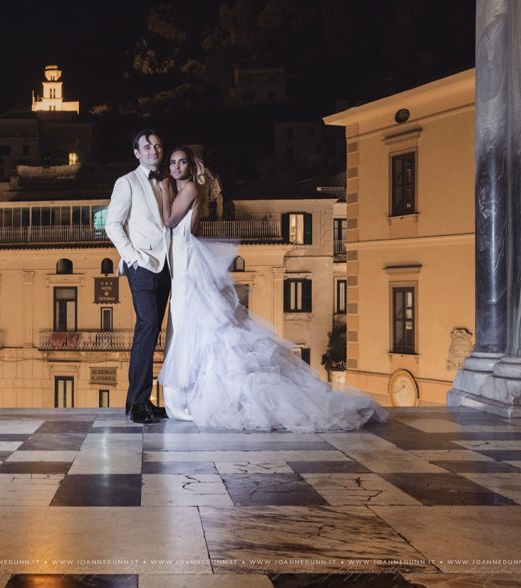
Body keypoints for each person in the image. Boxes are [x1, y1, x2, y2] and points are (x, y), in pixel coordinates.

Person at [155, 146, 390, 432]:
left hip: (188, 270)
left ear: (191, 167)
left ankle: (192, 400)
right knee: (188, 331)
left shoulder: (189, 188)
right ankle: (188, 397)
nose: (176, 167)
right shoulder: (185, 190)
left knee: (195, 331)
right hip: (181, 269)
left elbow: (169, 221)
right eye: (173, 163)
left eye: (182, 162)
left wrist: (163, 189)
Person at [104, 129, 172, 423]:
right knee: (148, 325)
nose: (153, 150)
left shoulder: (167, 181)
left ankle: (136, 402)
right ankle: (140, 402)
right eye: (147, 146)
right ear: (137, 152)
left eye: (157, 145)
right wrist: (132, 258)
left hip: (167, 265)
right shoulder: (127, 182)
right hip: (141, 265)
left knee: (152, 330)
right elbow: (112, 225)